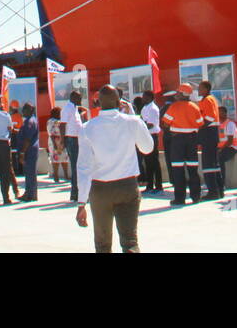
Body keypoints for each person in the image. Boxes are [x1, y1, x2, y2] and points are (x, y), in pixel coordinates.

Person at [75, 84, 154, 253]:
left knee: (102, 245)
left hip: (100, 190)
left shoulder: (87, 128)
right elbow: (147, 148)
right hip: (127, 187)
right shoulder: (133, 122)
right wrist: (134, 116)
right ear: (120, 102)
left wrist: (82, 203)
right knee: (130, 241)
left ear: (98, 103)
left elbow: (84, 167)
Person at [162, 83, 204, 204]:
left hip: (177, 140)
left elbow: (165, 123)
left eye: (179, 93)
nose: (176, 95)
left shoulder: (173, 107)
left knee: (177, 169)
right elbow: (200, 123)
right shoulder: (194, 107)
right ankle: (196, 197)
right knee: (192, 169)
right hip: (192, 140)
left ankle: (180, 198)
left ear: (183, 94)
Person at [196, 80, 223, 198]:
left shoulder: (208, 100)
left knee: (208, 163)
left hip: (208, 133)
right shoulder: (207, 99)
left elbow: (210, 117)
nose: (198, 90)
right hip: (210, 133)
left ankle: (213, 191)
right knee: (213, 162)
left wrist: (199, 127)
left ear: (206, 89)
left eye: (200, 88)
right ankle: (218, 190)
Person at [138, 92, 164, 192]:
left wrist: (140, 124)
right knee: (148, 162)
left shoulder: (153, 108)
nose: (142, 98)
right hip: (146, 136)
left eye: (144, 96)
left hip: (152, 136)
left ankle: (158, 186)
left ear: (149, 97)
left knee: (154, 162)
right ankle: (150, 186)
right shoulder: (145, 108)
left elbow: (151, 125)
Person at [62, 90, 84, 201]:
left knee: (78, 166)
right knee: (76, 167)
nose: (81, 100)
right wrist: (63, 140)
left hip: (77, 139)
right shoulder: (68, 108)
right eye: (79, 98)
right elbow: (63, 124)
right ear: (74, 97)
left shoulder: (74, 108)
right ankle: (75, 193)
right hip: (71, 140)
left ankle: (77, 192)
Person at [17, 103, 40, 201]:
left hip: (29, 150)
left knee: (29, 172)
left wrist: (22, 153)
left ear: (30, 110)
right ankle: (31, 194)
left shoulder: (29, 122)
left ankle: (30, 194)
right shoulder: (32, 120)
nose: (23, 111)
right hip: (31, 150)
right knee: (30, 172)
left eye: (25, 109)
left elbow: (27, 139)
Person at [217, 106, 237, 191]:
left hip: (232, 147)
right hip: (221, 147)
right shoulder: (218, 124)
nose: (219, 114)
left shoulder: (230, 124)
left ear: (225, 113)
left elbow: (230, 141)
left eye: (221, 112)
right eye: (218, 112)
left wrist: (220, 149)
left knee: (220, 159)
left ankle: (222, 184)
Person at [47, 107, 68, 183]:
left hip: (61, 140)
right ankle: (56, 176)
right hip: (54, 141)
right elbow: (51, 133)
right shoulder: (51, 121)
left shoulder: (60, 120)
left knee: (64, 158)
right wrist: (55, 144)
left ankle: (66, 175)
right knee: (55, 159)